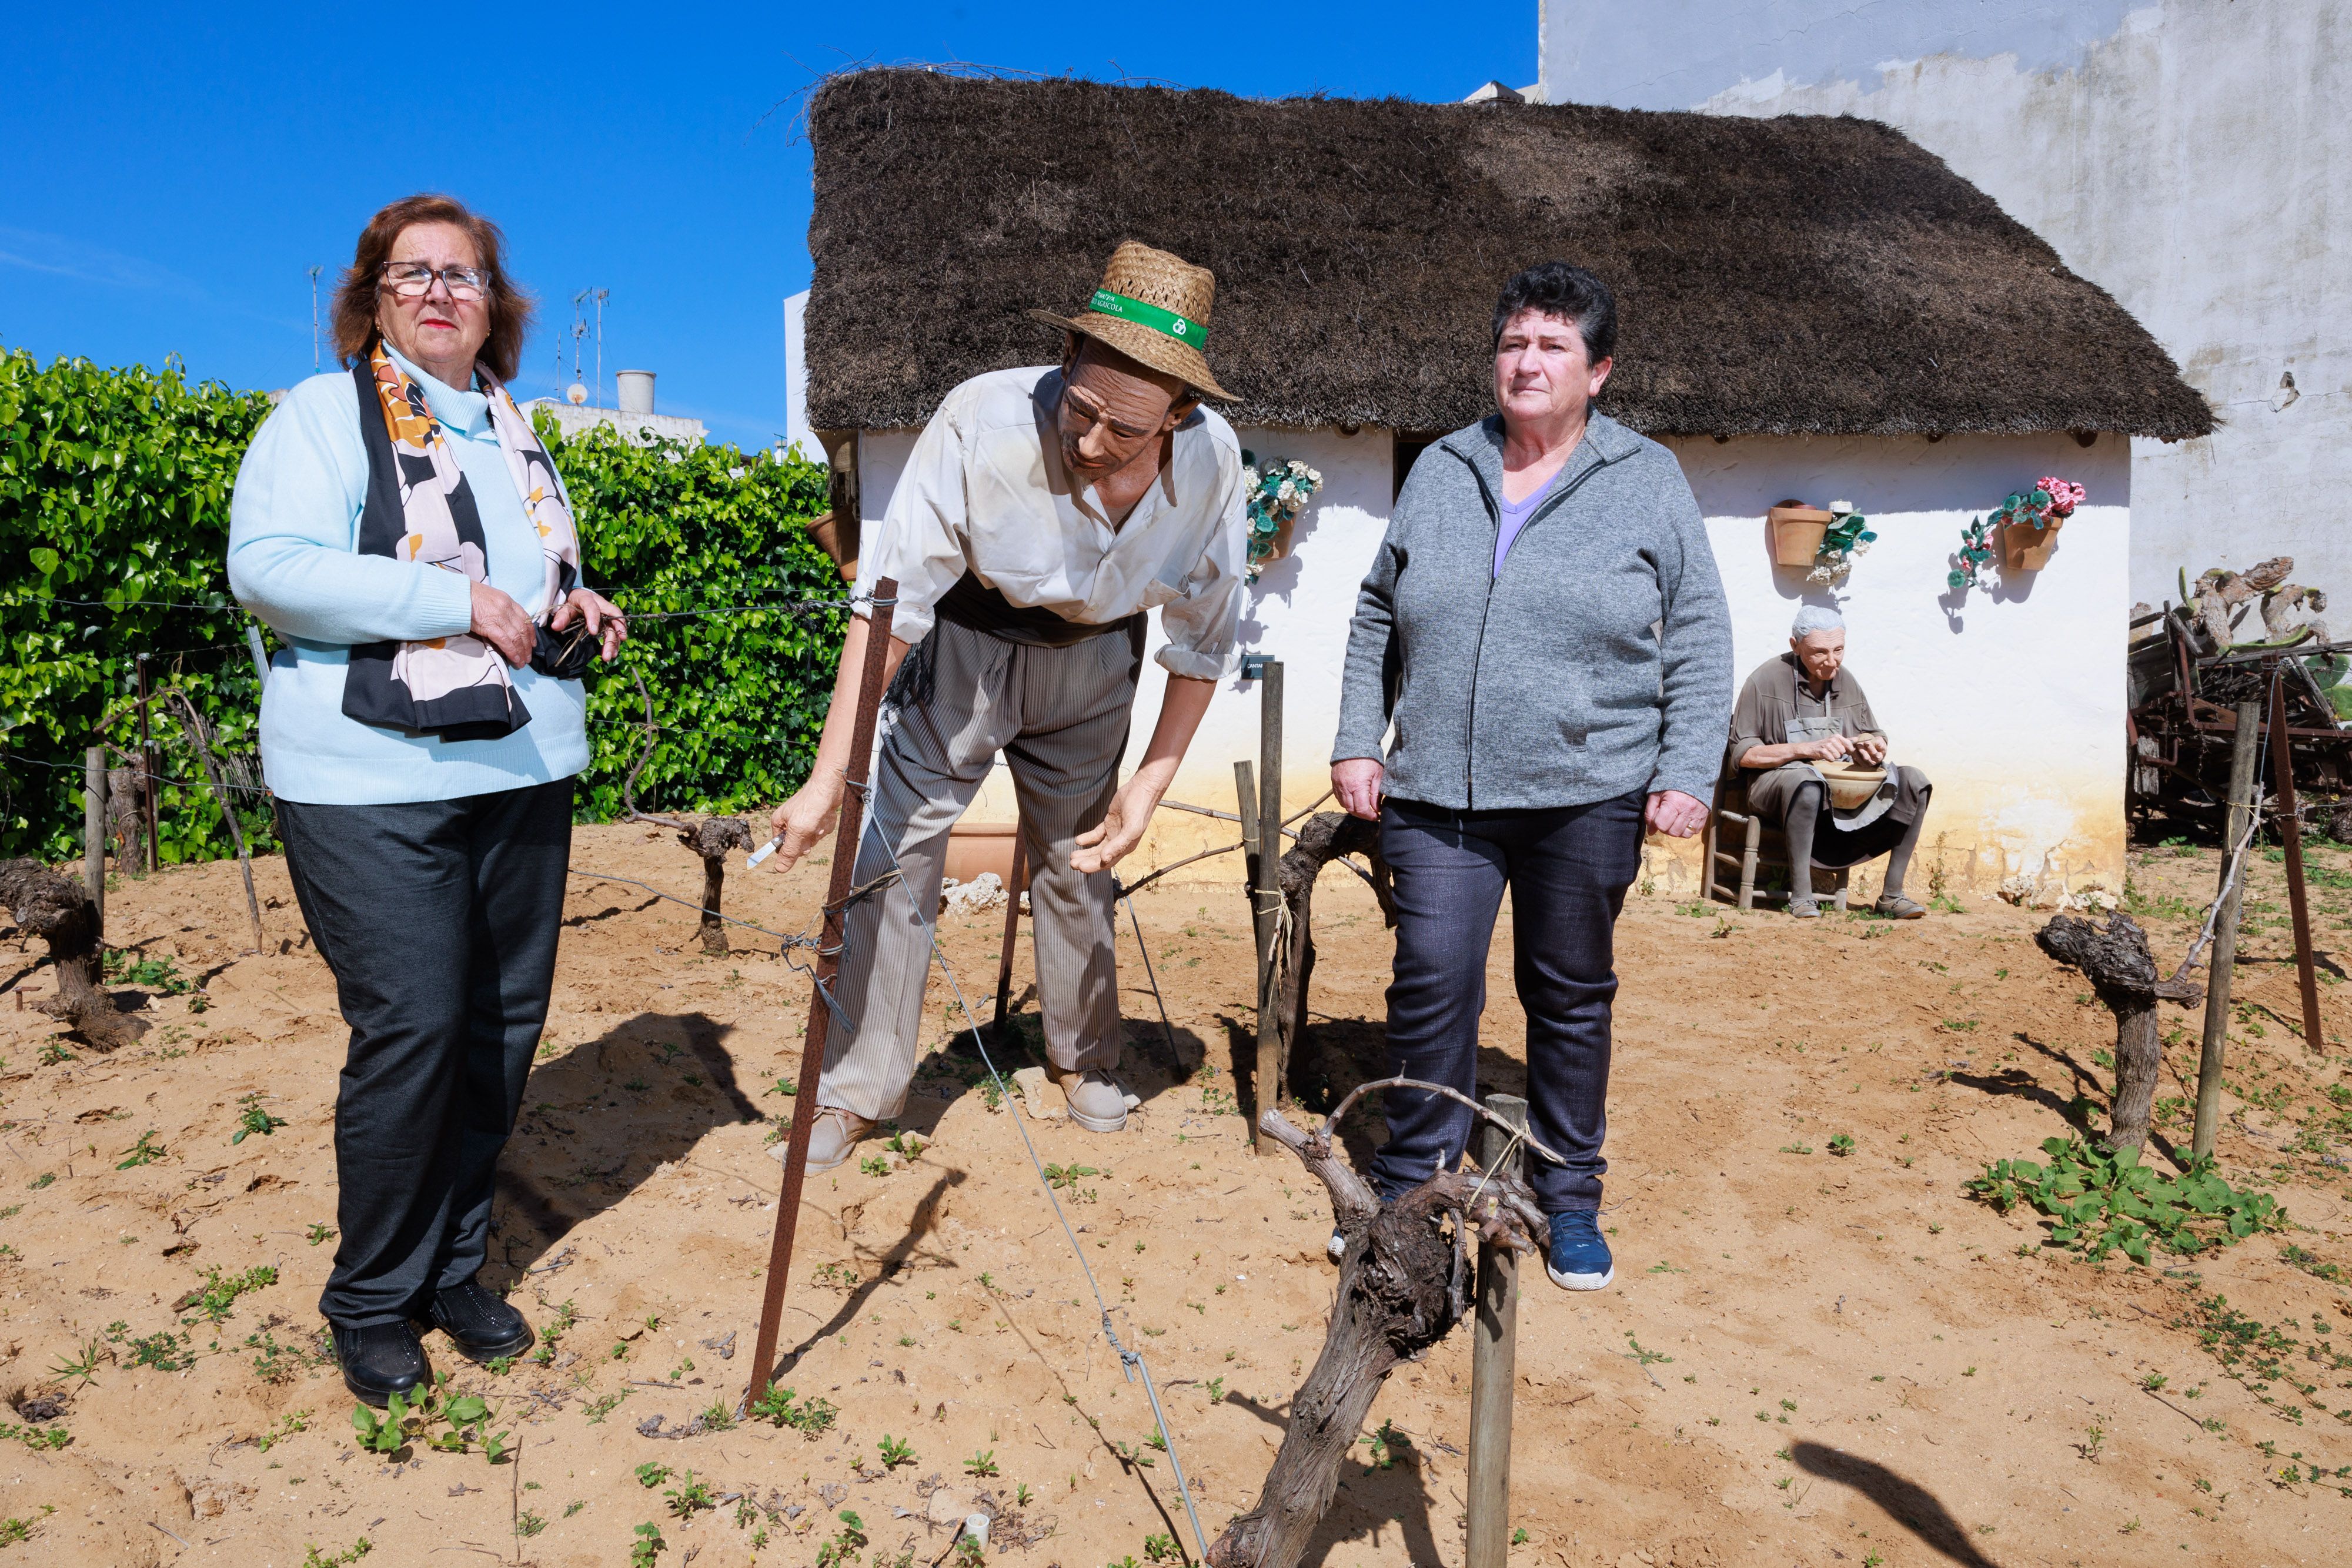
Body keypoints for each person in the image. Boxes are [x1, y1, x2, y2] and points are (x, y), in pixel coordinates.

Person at [227, 193, 626, 1405]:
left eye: (464, 275)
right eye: (415, 274)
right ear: (375, 298)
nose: (442, 291)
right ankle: (371, 1297)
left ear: (495, 306)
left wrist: (572, 598)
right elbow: (270, 570)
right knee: (413, 1029)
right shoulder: (321, 414)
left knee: (499, 1033)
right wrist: (458, 604)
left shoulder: (515, 429)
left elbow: (521, 582)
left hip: (523, 769)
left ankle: (452, 1269)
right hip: (369, 779)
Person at [761, 242, 1246, 1168]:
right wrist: (829, 776)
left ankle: (1083, 1056)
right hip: (966, 649)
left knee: (1079, 858)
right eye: (1082, 408)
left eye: (1127, 430)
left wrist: (1149, 785)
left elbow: (1205, 636)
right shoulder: (978, 419)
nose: (1092, 443)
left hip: (1097, 664)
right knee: (894, 850)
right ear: (1066, 355)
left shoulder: (1215, 463)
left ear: (1179, 414)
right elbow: (889, 609)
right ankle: (856, 1088)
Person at [1330, 261, 1731, 1293]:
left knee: (1568, 994)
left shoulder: (1646, 477)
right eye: (1514, 342)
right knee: (1431, 984)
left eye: (1554, 345)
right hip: (1439, 793)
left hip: (1587, 791)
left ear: (1599, 371)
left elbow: (1698, 629)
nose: (1528, 361)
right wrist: (1359, 737)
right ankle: (1410, 1187)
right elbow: (1377, 610)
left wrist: (1689, 766)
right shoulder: (1443, 466)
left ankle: (1569, 1194)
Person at [1728, 606, 1934, 918]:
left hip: (1839, 791)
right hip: (1775, 785)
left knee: (1914, 782)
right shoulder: (1764, 680)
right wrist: (1806, 749)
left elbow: (1871, 732)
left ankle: (1892, 895)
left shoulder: (1845, 679)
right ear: (1795, 645)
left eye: (1838, 650)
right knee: (1808, 783)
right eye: (1820, 652)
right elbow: (1744, 754)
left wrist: (1872, 746)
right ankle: (1802, 897)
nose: (1832, 661)